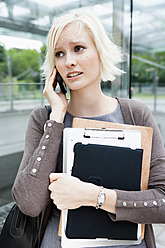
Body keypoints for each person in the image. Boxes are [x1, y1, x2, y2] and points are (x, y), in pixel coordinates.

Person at [12, 11, 165, 248]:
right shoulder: (43, 119)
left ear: (100, 52)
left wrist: (93, 196)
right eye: (59, 54)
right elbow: (29, 203)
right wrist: (57, 118)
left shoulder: (136, 114)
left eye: (79, 48)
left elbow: (163, 201)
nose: (68, 61)